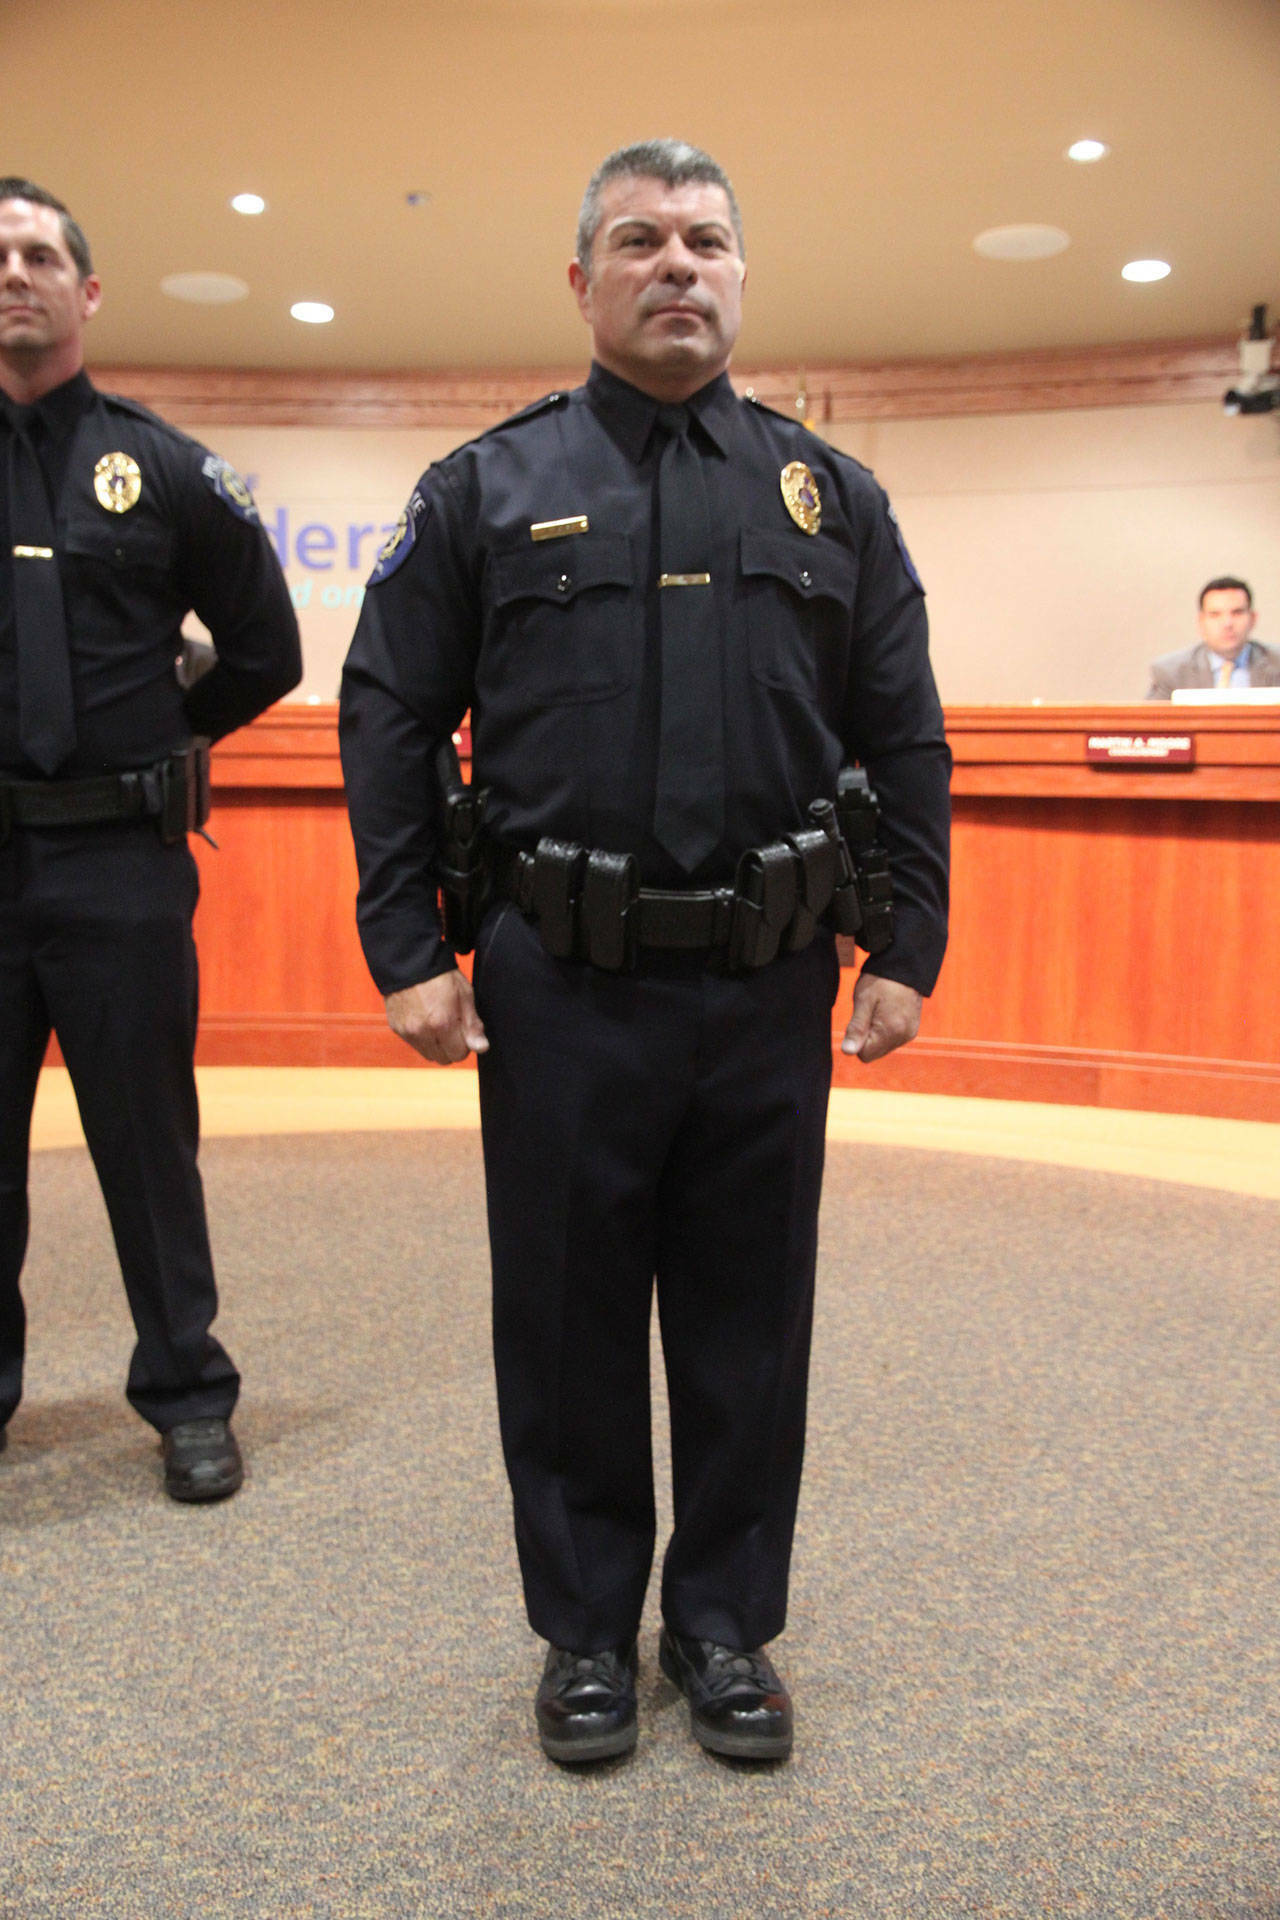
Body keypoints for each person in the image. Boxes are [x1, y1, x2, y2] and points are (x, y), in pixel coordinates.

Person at [340, 140, 950, 1764]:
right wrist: (406, 938)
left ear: (743, 275)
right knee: (566, 1322)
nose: (676, 264)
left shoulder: (836, 496)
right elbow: (388, 710)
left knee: (752, 1326)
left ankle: (727, 1625)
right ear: (584, 280)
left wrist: (911, 935)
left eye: (705, 240)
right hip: (562, 980)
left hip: (768, 984)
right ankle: (589, 1634)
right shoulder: (487, 487)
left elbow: (904, 729)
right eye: (639, 239)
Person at [0, 181, 301, 1499]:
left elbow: (268, 648)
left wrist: (165, 731)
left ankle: (185, 1390)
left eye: (42, 255)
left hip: (119, 864)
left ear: (88, 290)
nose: (17, 274)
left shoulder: (166, 467)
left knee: (145, 1140)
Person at [1147, 577, 1280, 697]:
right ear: (1201, 621)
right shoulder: (1171, 672)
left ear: (1252, 619)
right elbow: (1152, 722)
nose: (1227, 623)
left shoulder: (1276, 663)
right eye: (1215, 614)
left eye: (1237, 613)